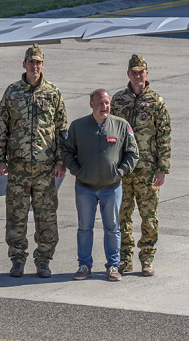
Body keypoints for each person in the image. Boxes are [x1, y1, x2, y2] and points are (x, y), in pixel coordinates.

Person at [0, 44, 67, 278]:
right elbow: (2, 127)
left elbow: (61, 129)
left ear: (42, 65)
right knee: (16, 216)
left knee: (46, 217)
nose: (34, 66)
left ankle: (44, 260)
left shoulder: (53, 92)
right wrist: (0, 158)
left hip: (45, 168)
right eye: (31, 62)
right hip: (18, 167)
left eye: (38, 63)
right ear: (24, 64)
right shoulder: (12, 92)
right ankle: (17, 259)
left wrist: (60, 161)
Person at [63, 89, 139, 282]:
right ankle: (84, 265)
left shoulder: (121, 126)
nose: (103, 107)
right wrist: (77, 170)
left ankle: (113, 266)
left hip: (111, 188)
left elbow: (132, 153)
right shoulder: (78, 126)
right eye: (99, 103)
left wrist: (120, 171)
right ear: (91, 105)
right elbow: (67, 151)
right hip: (84, 187)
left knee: (112, 228)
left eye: (106, 103)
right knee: (84, 228)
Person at [111, 54, 171, 277]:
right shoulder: (118, 101)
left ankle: (147, 258)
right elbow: (110, 133)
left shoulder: (156, 102)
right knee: (122, 216)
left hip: (148, 170)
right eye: (133, 72)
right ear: (128, 74)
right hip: (123, 169)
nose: (137, 76)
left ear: (147, 74)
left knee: (149, 216)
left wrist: (162, 167)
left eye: (141, 72)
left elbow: (164, 135)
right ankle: (125, 259)